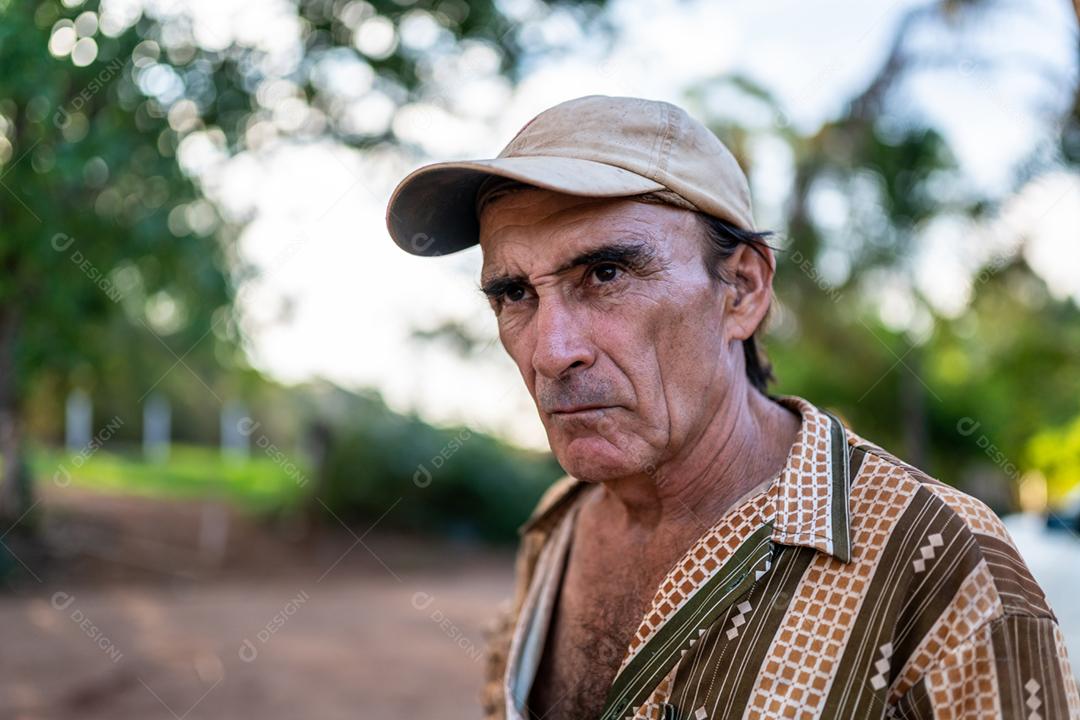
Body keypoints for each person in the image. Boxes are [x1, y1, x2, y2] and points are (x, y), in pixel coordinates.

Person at [384, 95, 1080, 720]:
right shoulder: (556, 527)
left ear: (742, 289)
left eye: (605, 273)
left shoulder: (938, 561)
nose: (550, 351)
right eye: (514, 294)